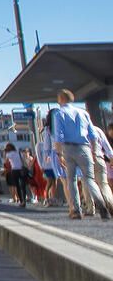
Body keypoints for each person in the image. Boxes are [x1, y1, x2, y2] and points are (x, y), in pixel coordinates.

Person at [50, 89, 110, 220]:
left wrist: (59, 154)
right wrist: (94, 151)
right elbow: (92, 134)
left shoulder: (59, 113)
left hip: (68, 148)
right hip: (85, 148)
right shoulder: (83, 113)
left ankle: (76, 210)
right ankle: (102, 206)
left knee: (71, 180)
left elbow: (59, 135)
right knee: (89, 179)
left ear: (61, 99)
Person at [3, 143, 29, 208]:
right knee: (23, 186)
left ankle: (21, 201)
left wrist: (5, 153)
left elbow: (5, 162)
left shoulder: (8, 154)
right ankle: (24, 200)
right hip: (22, 170)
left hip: (14, 170)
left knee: (17, 186)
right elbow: (24, 161)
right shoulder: (19, 153)